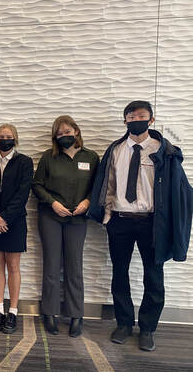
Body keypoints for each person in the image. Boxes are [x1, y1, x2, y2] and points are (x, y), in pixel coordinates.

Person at [88, 101, 192, 351]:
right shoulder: (115, 149)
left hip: (152, 224)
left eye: (141, 116)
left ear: (151, 120)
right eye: (131, 116)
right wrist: (107, 216)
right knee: (120, 274)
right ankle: (123, 324)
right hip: (120, 222)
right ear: (125, 121)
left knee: (153, 276)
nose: (136, 119)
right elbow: (108, 184)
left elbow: (177, 188)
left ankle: (147, 328)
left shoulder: (164, 151)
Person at [32, 115, 98, 338]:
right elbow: (37, 186)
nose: (64, 137)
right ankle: (49, 313)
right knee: (51, 265)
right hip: (51, 216)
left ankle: (76, 315)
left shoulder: (90, 157)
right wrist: (53, 203)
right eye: (59, 134)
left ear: (76, 132)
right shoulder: (49, 158)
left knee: (74, 266)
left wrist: (87, 202)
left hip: (78, 218)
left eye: (67, 132)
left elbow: (97, 188)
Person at [0, 124, 33, 334]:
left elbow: (23, 194)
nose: (4, 139)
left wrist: (5, 218)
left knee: (13, 266)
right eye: (1, 136)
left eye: (8, 136)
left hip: (15, 221)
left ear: (15, 139)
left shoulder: (25, 162)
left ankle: (13, 312)